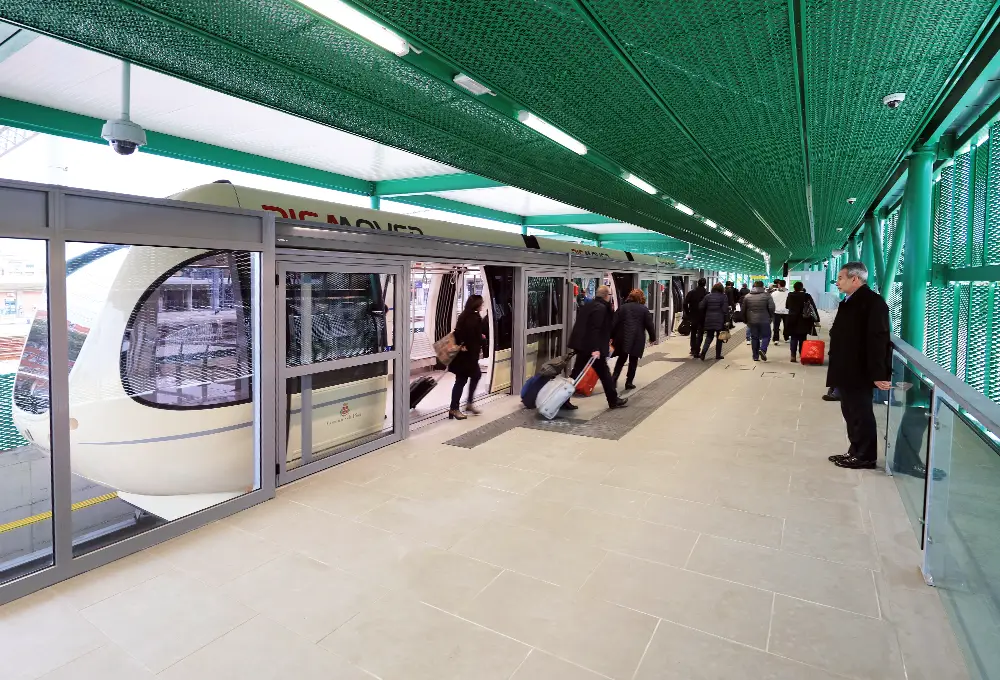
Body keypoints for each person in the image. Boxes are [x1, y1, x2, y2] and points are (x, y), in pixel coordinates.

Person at [827, 262, 892, 470]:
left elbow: (878, 339)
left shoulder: (873, 303)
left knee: (861, 414)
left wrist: (879, 373)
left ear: (855, 279)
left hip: (859, 370)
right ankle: (855, 450)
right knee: (850, 412)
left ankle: (865, 456)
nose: (837, 283)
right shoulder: (850, 300)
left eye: (840, 278)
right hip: (847, 367)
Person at [565, 285, 628, 411]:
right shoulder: (601, 308)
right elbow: (595, 329)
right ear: (606, 295)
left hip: (583, 346)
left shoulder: (589, 305)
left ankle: (563, 399)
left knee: (576, 373)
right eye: (610, 295)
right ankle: (613, 400)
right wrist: (595, 348)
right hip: (592, 348)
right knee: (604, 374)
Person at [448, 295, 487, 420]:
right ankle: (454, 408)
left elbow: (460, 333)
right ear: (477, 305)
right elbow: (472, 338)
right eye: (481, 303)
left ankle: (467, 404)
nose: (482, 305)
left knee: (473, 376)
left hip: (462, 355)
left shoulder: (464, 315)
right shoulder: (474, 318)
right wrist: (482, 339)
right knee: (461, 380)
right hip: (468, 356)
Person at [611, 288, 656, 390]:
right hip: (637, 338)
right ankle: (629, 382)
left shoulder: (622, 308)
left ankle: (614, 379)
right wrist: (652, 338)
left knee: (621, 359)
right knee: (633, 360)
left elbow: (614, 323)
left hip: (623, 337)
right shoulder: (644, 309)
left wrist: (611, 337)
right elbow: (650, 325)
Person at [784, 281, 818, 362]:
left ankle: (793, 356)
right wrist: (816, 319)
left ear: (794, 288)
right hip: (804, 319)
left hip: (792, 318)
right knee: (802, 338)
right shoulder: (806, 296)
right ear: (802, 288)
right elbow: (812, 307)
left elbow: (787, 306)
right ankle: (802, 354)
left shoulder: (790, 295)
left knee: (793, 338)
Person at [742, 280, 774, 361]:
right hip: (764, 319)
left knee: (754, 338)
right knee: (766, 336)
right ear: (762, 286)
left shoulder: (747, 296)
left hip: (752, 320)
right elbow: (771, 308)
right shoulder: (767, 295)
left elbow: (743, 310)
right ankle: (762, 349)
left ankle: (755, 356)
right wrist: (771, 316)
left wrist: (745, 320)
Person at [698, 282, 731, 360]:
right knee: (719, 338)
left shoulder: (707, 296)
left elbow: (701, 306)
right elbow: (725, 309)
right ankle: (718, 355)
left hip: (709, 319)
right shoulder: (724, 297)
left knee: (709, 337)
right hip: (720, 319)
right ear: (721, 289)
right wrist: (727, 320)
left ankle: (703, 353)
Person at [683, 278, 709, 357]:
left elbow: (685, 303)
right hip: (703, 316)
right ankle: (697, 350)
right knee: (700, 333)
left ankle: (693, 349)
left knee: (693, 332)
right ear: (705, 284)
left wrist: (688, 313)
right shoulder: (707, 294)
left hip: (693, 315)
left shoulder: (691, 292)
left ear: (697, 283)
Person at [771, 280, 789, 346]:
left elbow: (771, 303)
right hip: (786, 311)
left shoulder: (774, 293)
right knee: (786, 326)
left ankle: (776, 339)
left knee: (776, 326)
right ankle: (786, 338)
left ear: (778, 285)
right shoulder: (788, 293)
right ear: (785, 284)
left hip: (776, 311)